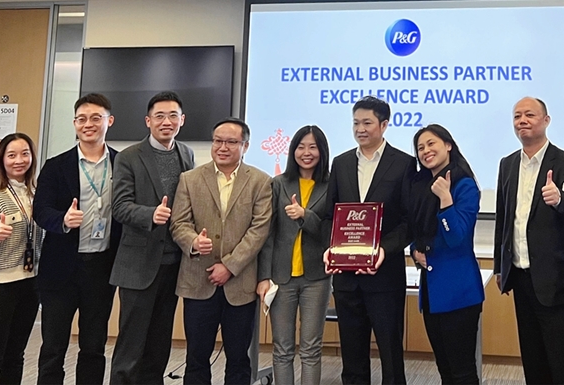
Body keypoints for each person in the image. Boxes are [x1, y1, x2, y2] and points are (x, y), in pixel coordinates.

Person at [171, 118, 272, 385]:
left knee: (238, 359)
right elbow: (178, 223)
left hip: (240, 284)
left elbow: (259, 230)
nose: (222, 147)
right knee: (196, 357)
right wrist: (193, 241)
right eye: (218, 141)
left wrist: (229, 266)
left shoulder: (261, 182)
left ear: (245, 146)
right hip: (198, 281)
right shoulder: (190, 179)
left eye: (231, 142)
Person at [324, 96, 414, 385]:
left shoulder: (404, 164)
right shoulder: (341, 163)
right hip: (346, 278)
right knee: (352, 355)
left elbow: (408, 221)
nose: (360, 129)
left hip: (385, 276)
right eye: (355, 123)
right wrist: (331, 248)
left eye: (367, 123)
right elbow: (330, 216)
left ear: (384, 125)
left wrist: (383, 250)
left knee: (390, 353)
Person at [493, 97, 564, 385]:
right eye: (517, 116)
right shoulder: (507, 164)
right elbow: (503, 218)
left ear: (546, 120)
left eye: (530, 115)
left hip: (557, 279)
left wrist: (560, 200)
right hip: (520, 277)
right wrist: (499, 266)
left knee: (562, 362)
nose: (522, 120)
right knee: (533, 360)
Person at [109, 91, 195, 385]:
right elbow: (119, 206)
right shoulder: (128, 157)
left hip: (173, 265)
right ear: (148, 121)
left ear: (182, 120)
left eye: (173, 116)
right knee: (131, 345)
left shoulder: (187, 154)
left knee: (159, 344)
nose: (166, 122)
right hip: (138, 264)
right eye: (159, 116)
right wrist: (150, 214)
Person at [34, 93, 120, 385]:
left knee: (94, 346)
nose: (88, 124)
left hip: (102, 268)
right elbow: (40, 210)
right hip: (60, 269)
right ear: (74, 124)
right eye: (81, 119)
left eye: (96, 118)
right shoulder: (56, 165)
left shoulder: (122, 164)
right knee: (53, 346)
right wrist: (62, 220)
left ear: (109, 121)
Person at [257, 125, 333, 385]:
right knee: (282, 348)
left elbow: (331, 231)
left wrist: (305, 215)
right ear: (293, 151)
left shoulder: (331, 184)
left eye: (313, 147)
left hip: (316, 278)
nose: (306, 153)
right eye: (301, 147)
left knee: (311, 349)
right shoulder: (279, 183)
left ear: (322, 151)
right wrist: (263, 276)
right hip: (281, 277)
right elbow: (268, 234)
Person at [409, 125, 484, 385]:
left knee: (462, 371)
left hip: (459, 292)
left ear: (448, 145)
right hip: (432, 294)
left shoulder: (464, 185)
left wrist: (445, 200)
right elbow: (417, 233)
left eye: (432, 144)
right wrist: (414, 250)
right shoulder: (421, 186)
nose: (426, 151)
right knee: (445, 370)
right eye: (420, 148)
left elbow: (457, 237)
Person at [0, 133, 44, 385]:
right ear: (1, 160)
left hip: (29, 284)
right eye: (11, 155)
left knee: (16, 356)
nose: (19, 160)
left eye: (25, 154)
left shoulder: (36, 195)